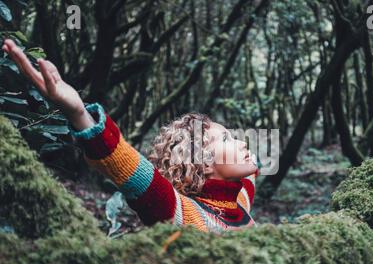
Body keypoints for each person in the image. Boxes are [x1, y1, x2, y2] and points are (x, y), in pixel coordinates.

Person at [2, 39, 260, 234]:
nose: (240, 142)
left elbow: (252, 170)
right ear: (203, 163)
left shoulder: (239, 199)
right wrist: (80, 113)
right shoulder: (182, 214)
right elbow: (130, 170)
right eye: (226, 139)